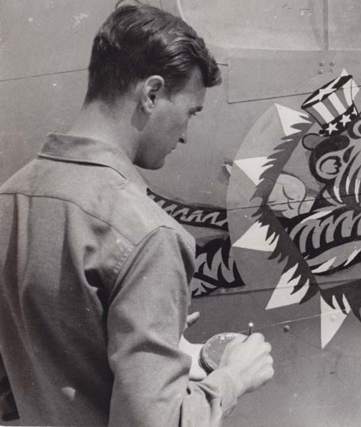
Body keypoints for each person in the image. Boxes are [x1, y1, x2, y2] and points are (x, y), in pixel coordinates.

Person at [0, 2, 274, 426]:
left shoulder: (11, 199)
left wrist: (143, 345)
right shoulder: (146, 233)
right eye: (190, 112)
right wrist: (233, 379)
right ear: (151, 94)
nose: (185, 136)